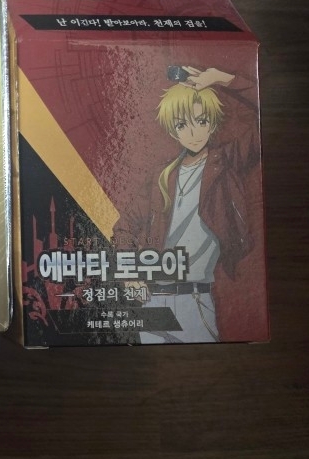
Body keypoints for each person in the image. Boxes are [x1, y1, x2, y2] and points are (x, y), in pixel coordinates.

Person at [112, 66, 261, 343]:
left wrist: (221, 78)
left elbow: (264, 119)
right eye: (182, 125)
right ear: (173, 131)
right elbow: (123, 228)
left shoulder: (225, 161)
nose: (193, 132)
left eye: (201, 121)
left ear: (212, 123)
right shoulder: (162, 177)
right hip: (153, 301)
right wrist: (129, 275)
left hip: (195, 299)